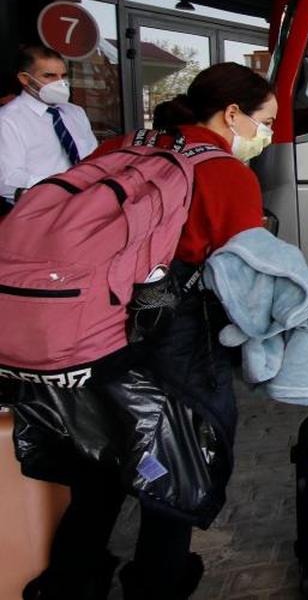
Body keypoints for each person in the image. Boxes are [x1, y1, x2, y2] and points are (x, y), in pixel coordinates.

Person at [19, 63, 276, 599]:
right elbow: (247, 285)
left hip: (90, 335)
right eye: (265, 120)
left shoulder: (122, 144)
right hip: (173, 342)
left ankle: (70, 583)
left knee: (97, 466)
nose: (267, 134)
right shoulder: (226, 172)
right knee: (174, 469)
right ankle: (157, 585)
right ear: (232, 114)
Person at [0, 45, 98, 204]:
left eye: (63, 76)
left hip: (88, 201)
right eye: (49, 76)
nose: (60, 83)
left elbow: (93, 156)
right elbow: (8, 180)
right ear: (25, 79)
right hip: (43, 208)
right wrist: (66, 185)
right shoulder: (8, 120)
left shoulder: (75, 112)